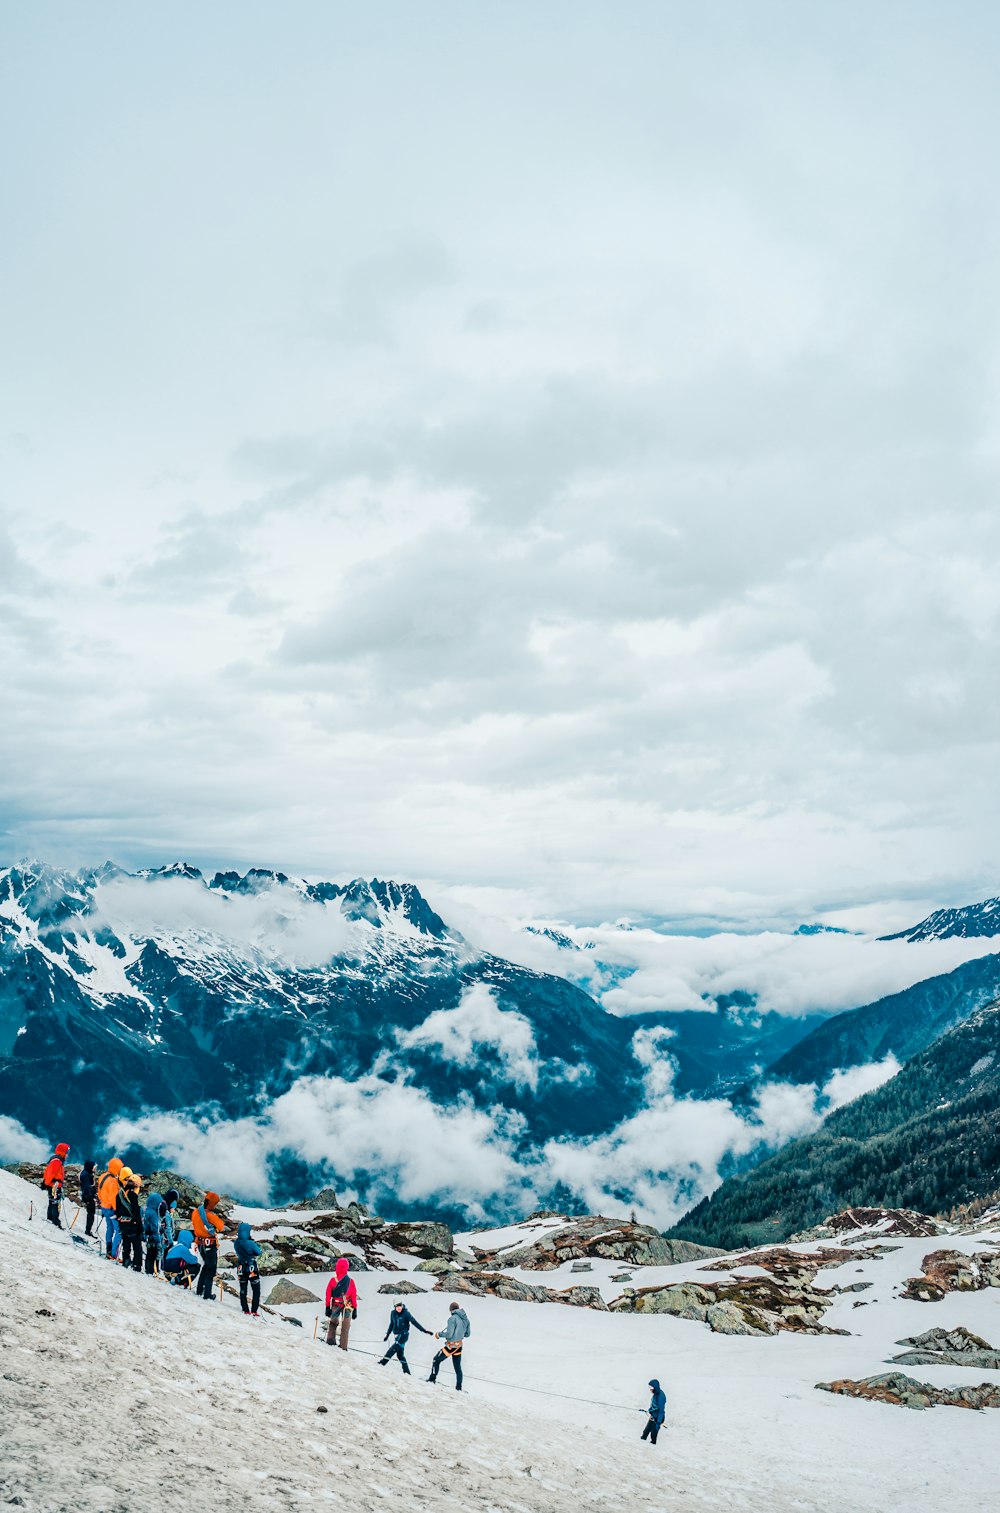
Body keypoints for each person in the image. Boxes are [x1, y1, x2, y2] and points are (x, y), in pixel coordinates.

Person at [379, 1300, 432, 1375]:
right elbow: (391, 1324)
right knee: (400, 1355)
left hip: (404, 1335)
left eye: (400, 1306)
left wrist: (424, 1330)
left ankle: (382, 1363)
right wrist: (387, 1335)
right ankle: (407, 1372)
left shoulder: (406, 1313)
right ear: (394, 1307)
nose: (399, 1308)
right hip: (397, 1336)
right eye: (397, 1306)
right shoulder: (393, 1313)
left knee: (392, 1350)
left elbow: (414, 1322)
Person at [427, 1302, 470, 1390]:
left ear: (451, 1310)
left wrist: (439, 1334)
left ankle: (432, 1379)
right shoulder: (466, 1319)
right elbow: (467, 1334)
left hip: (451, 1346)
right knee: (457, 1367)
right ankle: (458, 1388)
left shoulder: (452, 1319)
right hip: (459, 1346)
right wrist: (459, 1334)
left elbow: (449, 1334)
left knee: (436, 1359)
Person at [191, 1191, 226, 1300]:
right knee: (210, 1268)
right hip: (210, 1244)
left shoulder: (195, 1212)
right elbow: (221, 1226)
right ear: (212, 1203)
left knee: (206, 1265)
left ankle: (199, 1290)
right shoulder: (210, 1215)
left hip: (200, 1243)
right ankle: (207, 1294)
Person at [325, 1258, 358, 1350]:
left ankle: (330, 1341)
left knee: (333, 1322)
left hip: (336, 1304)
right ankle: (343, 1346)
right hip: (348, 1306)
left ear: (337, 1267)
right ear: (347, 1267)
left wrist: (327, 1307)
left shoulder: (332, 1280)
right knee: (345, 1326)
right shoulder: (350, 1281)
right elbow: (353, 1296)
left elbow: (328, 1294)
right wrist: (355, 1309)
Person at [116, 1169, 143, 1271]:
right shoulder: (133, 1195)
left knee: (126, 1244)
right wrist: (140, 1227)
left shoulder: (120, 1194)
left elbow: (117, 1210)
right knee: (137, 1247)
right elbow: (136, 1212)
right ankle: (137, 1265)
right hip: (132, 1225)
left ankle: (126, 1260)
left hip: (123, 1224)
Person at [233, 1222, 262, 1317]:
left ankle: (245, 1309)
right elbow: (258, 1252)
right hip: (251, 1267)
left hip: (241, 1266)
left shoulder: (236, 1243)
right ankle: (254, 1310)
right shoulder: (250, 1243)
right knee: (256, 1290)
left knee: (243, 1289)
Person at [97, 1158, 124, 1259]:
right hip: (111, 1209)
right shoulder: (113, 1181)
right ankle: (114, 1254)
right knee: (119, 1230)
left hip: (104, 1207)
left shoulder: (103, 1176)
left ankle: (108, 1250)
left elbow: (99, 1192)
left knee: (110, 1228)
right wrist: (118, 1211)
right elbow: (113, 1199)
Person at [42, 1142, 70, 1227]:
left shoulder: (56, 1160)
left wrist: (46, 1183)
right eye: (67, 1153)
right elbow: (51, 1173)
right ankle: (55, 1221)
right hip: (54, 1185)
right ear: (63, 1152)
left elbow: (48, 1172)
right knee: (55, 1203)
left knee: (52, 1202)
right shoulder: (57, 1161)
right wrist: (46, 1183)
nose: (67, 1155)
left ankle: (50, 1218)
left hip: (53, 1185)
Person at [143, 1191, 167, 1274]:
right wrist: (158, 1240)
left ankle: (147, 1269)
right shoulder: (154, 1214)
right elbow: (155, 1228)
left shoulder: (146, 1210)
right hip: (153, 1237)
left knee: (148, 1254)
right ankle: (151, 1271)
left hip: (147, 1235)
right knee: (153, 1255)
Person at [642, 1379, 666, 1444]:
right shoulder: (655, 1394)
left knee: (653, 1435)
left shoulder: (661, 1396)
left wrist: (658, 1423)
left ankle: (652, 1447)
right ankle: (640, 1445)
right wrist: (649, 1411)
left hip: (658, 1418)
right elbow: (653, 1405)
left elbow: (661, 1411)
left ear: (655, 1387)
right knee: (645, 1432)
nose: (650, 1389)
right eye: (649, 1387)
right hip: (653, 1416)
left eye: (651, 1388)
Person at [159, 1188, 180, 1264]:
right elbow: (168, 1228)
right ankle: (162, 1267)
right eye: (174, 1208)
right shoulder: (167, 1215)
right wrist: (171, 1242)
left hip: (162, 1237)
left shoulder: (163, 1209)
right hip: (165, 1240)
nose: (174, 1210)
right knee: (164, 1254)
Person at [79, 1159, 98, 1236]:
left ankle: (88, 1230)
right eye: (94, 1167)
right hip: (88, 1198)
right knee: (91, 1214)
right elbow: (87, 1188)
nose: (95, 1169)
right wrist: (91, 1199)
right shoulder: (86, 1175)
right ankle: (88, 1231)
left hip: (88, 1197)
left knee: (91, 1214)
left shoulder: (87, 1173)